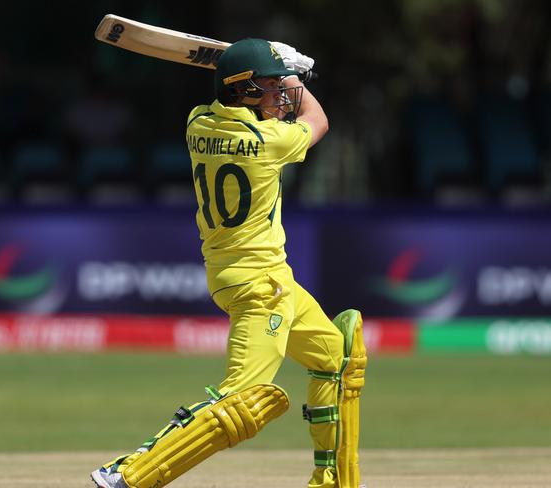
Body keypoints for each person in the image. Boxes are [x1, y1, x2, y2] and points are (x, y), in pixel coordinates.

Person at [91, 38, 367, 488]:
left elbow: (224, 98)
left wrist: (267, 66)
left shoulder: (197, 123)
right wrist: (296, 71)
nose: (285, 96)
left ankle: (333, 479)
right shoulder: (267, 140)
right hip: (263, 287)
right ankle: (128, 474)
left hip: (246, 276)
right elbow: (318, 119)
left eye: (284, 88)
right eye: (274, 88)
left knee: (337, 358)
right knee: (241, 399)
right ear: (245, 91)